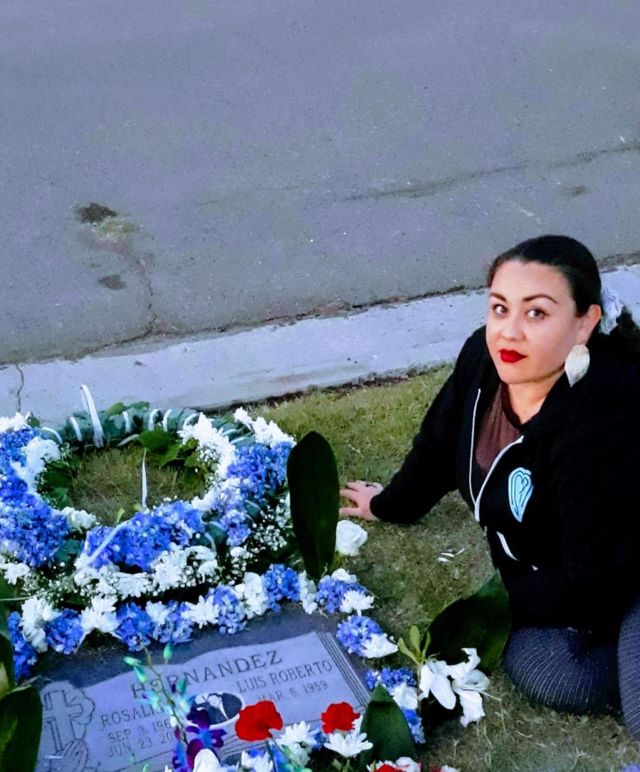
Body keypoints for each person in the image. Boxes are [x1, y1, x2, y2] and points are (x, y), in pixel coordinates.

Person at [339, 235, 640, 738]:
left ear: (584, 322)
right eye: (500, 308)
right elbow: (438, 445)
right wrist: (390, 505)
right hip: (583, 573)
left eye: (537, 313)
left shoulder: (599, 427)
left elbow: (592, 587)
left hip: (616, 574)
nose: (510, 331)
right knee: (549, 671)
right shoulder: (485, 357)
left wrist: (489, 604)